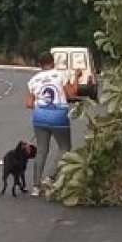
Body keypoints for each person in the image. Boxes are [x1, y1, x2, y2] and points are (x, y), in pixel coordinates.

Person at [25, 51, 82, 196]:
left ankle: (36, 186)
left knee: (42, 149)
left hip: (39, 117)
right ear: (53, 61)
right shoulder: (61, 75)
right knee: (65, 147)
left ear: (39, 64)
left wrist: (42, 104)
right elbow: (72, 94)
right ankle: (50, 177)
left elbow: (29, 104)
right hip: (58, 117)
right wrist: (76, 77)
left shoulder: (33, 80)